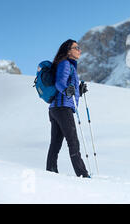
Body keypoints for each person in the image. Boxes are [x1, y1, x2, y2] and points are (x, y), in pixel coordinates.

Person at [46, 39, 90, 177]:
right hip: (62, 108)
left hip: (57, 108)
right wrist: (67, 91)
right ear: (68, 51)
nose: (79, 50)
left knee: (56, 143)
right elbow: (60, 83)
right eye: (76, 47)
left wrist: (78, 90)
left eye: (79, 47)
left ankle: (51, 171)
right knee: (73, 141)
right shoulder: (65, 64)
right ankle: (82, 174)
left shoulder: (68, 65)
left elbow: (67, 86)